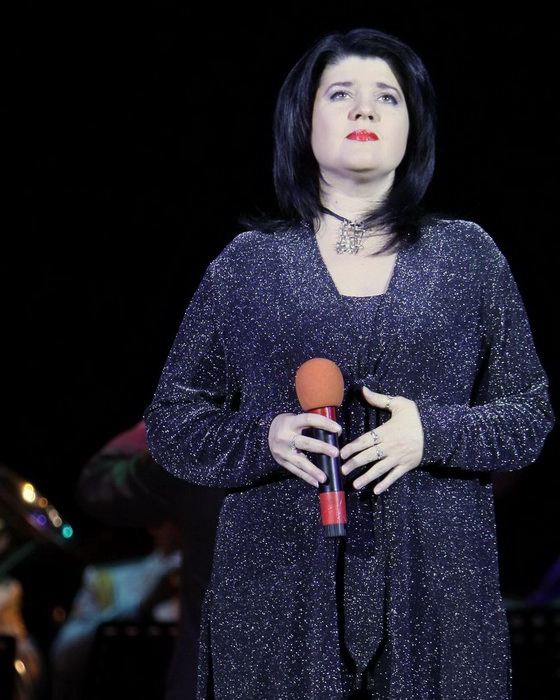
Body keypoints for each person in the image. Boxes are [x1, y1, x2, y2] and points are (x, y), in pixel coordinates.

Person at [144, 28, 554, 699]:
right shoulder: (248, 266)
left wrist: (431, 433)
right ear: (303, 120)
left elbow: (529, 417)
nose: (365, 109)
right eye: (341, 94)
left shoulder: (468, 257)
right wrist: (265, 439)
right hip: (277, 595)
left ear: (413, 126)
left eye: (387, 97)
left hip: (437, 598)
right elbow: (172, 421)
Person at [67, 421, 224, 700]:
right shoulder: (109, 579)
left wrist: (172, 417)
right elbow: (66, 657)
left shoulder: (206, 444)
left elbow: (96, 483)